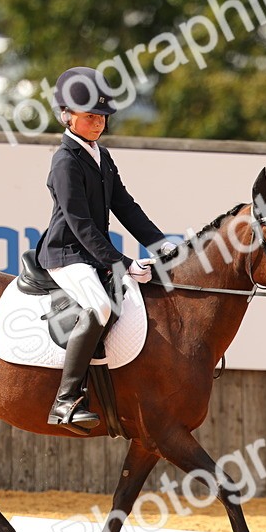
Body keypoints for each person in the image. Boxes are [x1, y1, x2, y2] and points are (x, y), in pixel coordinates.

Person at [37, 66, 177, 433]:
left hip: (91, 254)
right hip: (66, 254)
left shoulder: (101, 155)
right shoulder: (65, 161)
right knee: (100, 306)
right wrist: (122, 263)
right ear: (67, 115)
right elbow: (80, 225)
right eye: (89, 117)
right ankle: (65, 401)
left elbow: (126, 207)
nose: (98, 123)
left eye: (102, 117)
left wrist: (162, 245)